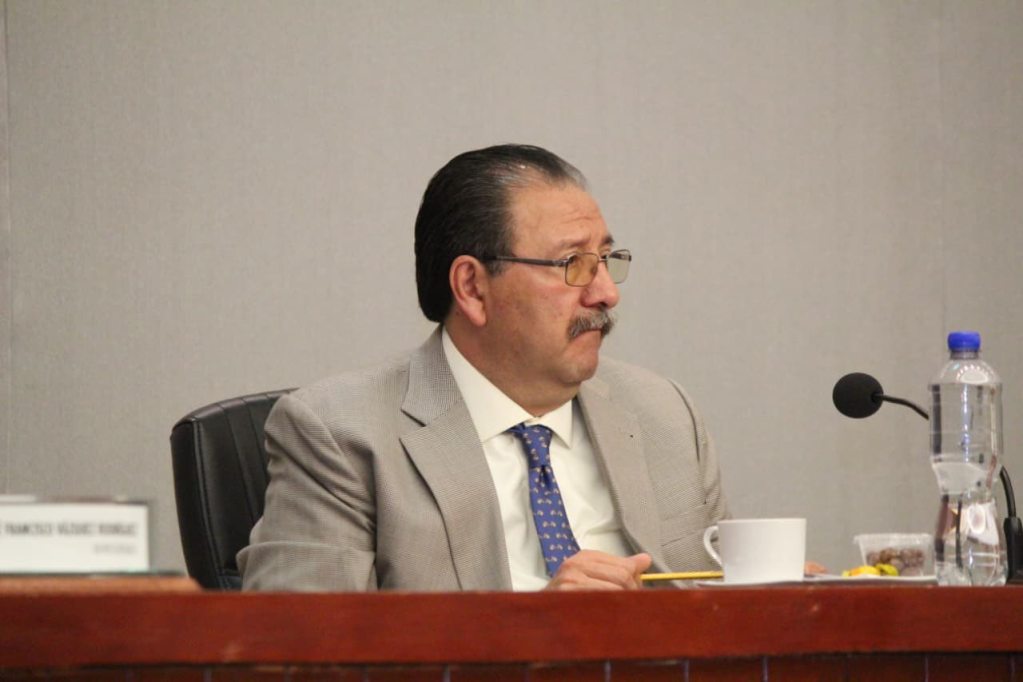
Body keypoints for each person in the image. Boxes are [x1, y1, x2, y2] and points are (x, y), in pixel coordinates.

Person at [238, 144, 728, 591]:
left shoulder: (664, 412)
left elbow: (724, 600)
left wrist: (784, 598)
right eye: (573, 263)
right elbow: (301, 649)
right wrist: (534, 633)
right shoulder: (342, 436)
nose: (606, 292)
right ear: (472, 287)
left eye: (605, 259)